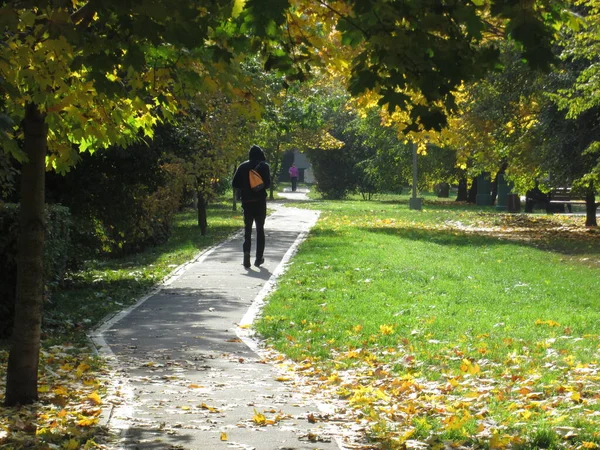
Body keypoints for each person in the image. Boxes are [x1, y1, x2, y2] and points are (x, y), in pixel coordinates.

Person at [232, 145, 271, 268]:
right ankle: (259, 258)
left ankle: (246, 256)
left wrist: (244, 188)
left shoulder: (243, 166)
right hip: (259, 202)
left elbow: (234, 183)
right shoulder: (264, 166)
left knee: (247, 230)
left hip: (247, 202)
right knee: (260, 230)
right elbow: (268, 185)